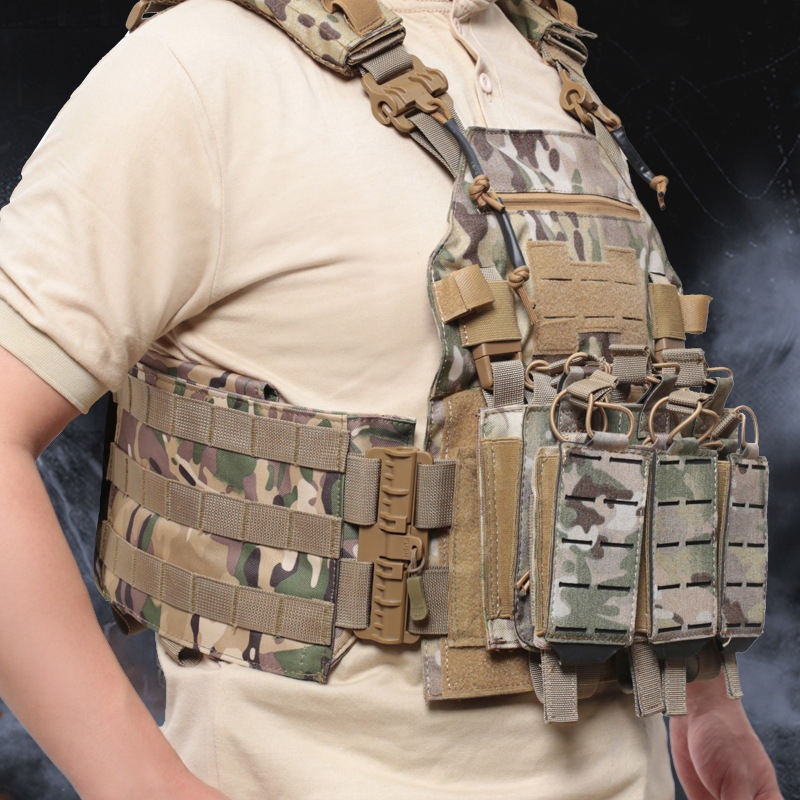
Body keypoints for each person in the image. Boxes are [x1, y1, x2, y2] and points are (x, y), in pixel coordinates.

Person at [0, 0, 784, 797]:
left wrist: (703, 695)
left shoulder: (544, 66)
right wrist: (139, 784)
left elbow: (623, 418)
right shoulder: (199, 68)